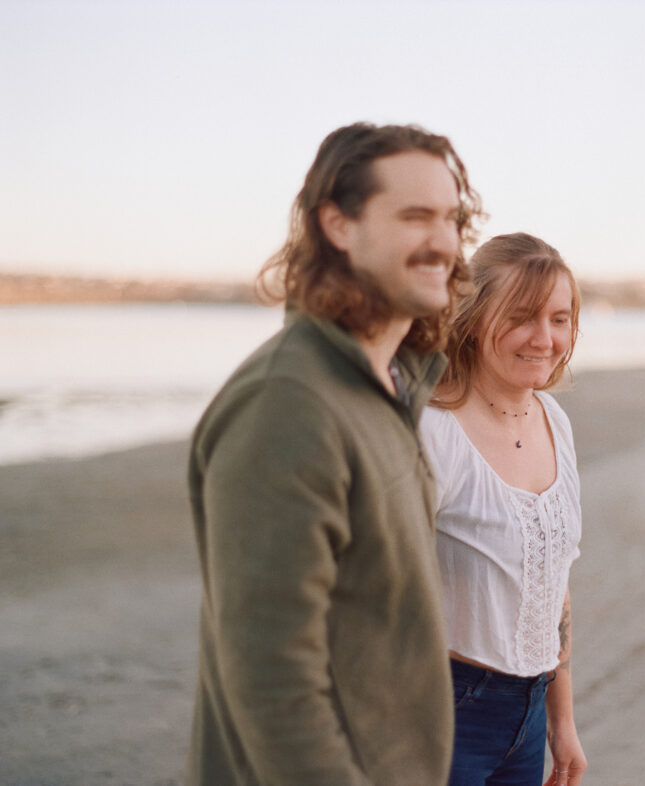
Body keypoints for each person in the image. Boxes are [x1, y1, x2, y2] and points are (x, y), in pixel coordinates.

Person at [185, 122, 483, 785]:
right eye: (414, 217)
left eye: (450, 217)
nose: (442, 240)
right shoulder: (286, 405)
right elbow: (272, 682)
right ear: (338, 226)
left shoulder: (393, 385)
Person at [420, 233, 588, 786]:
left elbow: (554, 584)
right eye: (522, 317)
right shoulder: (433, 432)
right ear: (471, 318)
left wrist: (561, 722)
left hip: (530, 714)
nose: (545, 338)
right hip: (443, 717)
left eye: (560, 319)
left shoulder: (554, 421)